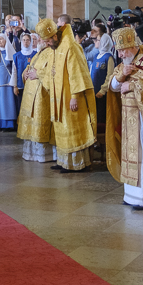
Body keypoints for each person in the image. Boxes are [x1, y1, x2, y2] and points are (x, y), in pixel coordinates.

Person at [102, 26, 143, 208]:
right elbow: (111, 86)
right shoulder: (124, 64)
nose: (119, 54)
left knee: (142, 152)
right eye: (118, 51)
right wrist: (121, 76)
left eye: (122, 50)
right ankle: (131, 196)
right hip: (128, 118)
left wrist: (133, 86)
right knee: (130, 154)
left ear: (132, 46)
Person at [46, 15, 97, 171]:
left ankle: (77, 164)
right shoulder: (57, 47)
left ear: (55, 36)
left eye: (48, 40)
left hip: (71, 97)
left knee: (73, 129)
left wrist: (74, 96)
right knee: (62, 128)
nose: (47, 44)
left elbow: (78, 73)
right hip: (59, 97)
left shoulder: (71, 46)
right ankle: (63, 161)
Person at [17, 24, 56, 162]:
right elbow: (30, 66)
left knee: (41, 121)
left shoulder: (53, 52)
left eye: (40, 37)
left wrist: (38, 74)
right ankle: (32, 153)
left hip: (42, 95)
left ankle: (44, 155)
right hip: (30, 93)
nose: (38, 40)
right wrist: (26, 73)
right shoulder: (38, 52)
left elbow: (53, 71)